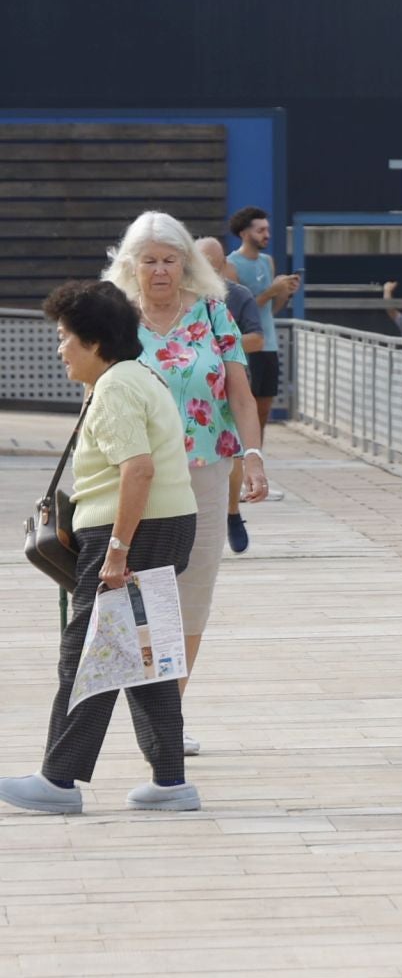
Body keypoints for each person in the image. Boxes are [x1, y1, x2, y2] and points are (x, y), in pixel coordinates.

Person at [0, 281, 203, 815]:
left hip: (130, 531)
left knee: (88, 651)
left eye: (65, 338)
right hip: (164, 525)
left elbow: (137, 469)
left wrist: (117, 549)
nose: (59, 348)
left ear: (94, 342)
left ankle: (58, 781)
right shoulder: (138, 376)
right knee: (142, 655)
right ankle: (170, 781)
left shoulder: (114, 387)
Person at [108, 212, 269, 757]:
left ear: (186, 264)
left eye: (169, 259)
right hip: (132, 476)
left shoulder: (214, 314)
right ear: (130, 265)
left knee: (190, 595)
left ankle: (168, 715)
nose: (159, 270)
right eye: (148, 260)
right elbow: (94, 398)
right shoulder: (114, 320)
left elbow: (242, 397)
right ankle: (142, 708)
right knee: (135, 593)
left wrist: (253, 457)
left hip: (203, 474)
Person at [193, 237, 266, 555]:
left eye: (214, 262)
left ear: (223, 264)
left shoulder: (237, 295)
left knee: (233, 455)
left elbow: (257, 339)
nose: (207, 268)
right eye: (201, 261)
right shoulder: (181, 297)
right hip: (193, 389)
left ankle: (232, 513)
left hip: (229, 382)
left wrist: (218, 343)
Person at [227, 206, 299, 489]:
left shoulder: (267, 262)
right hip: (245, 347)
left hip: (268, 345)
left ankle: (256, 466)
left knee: (264, 409)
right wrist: (270, 291)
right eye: (260, 230)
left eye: (267, 230)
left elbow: (271, 308)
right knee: (243, 408)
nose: (266, 234)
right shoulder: (231, 265)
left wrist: (284, 293)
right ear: (245, 233)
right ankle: (237, 467)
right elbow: (241, 311)